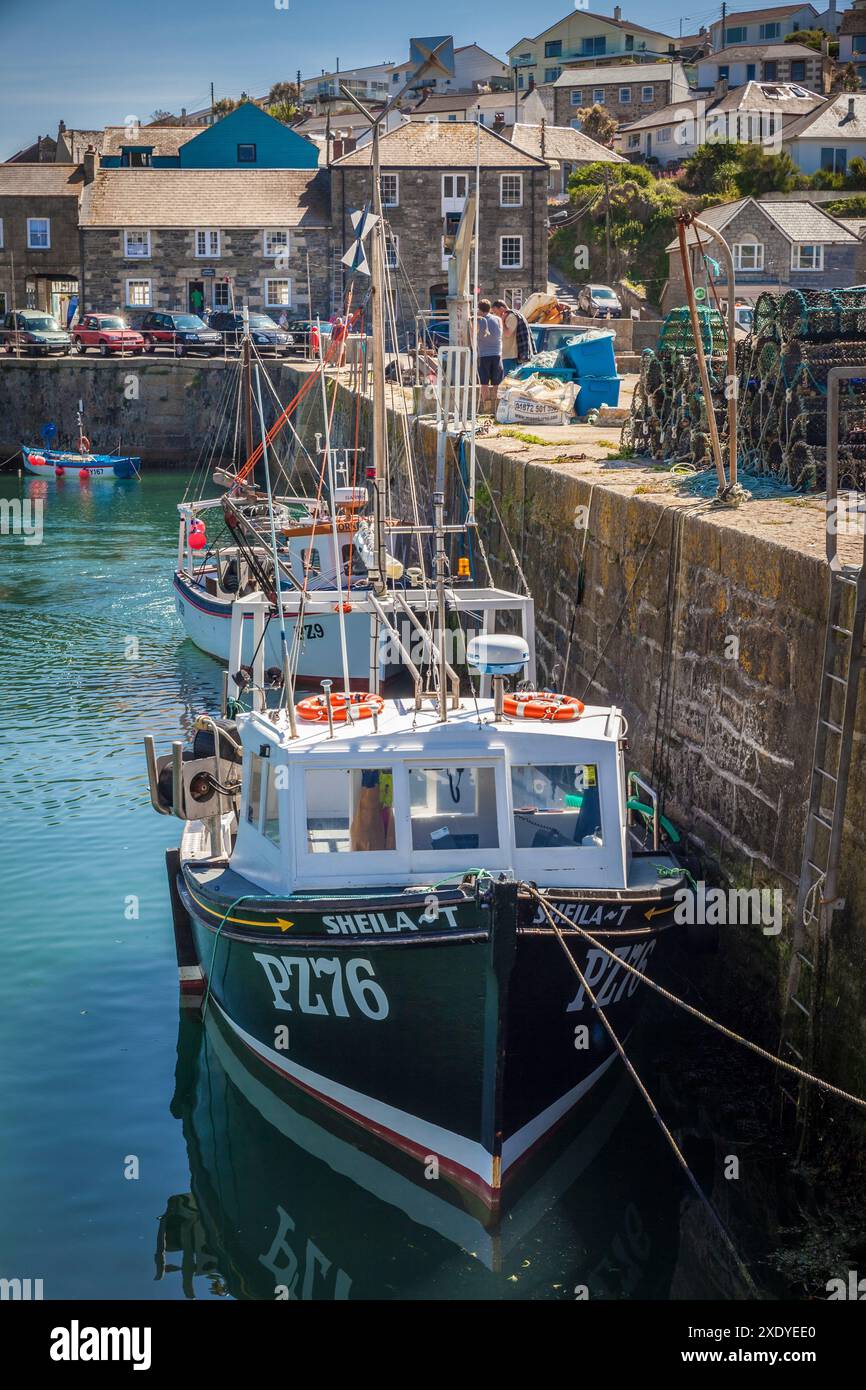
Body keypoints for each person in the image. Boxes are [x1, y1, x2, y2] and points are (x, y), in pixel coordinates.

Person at [473, 298, 503, 411]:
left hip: (483, 355)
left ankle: (486, 406)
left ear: (480, 310)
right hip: (497, 354)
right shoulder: (498, 319)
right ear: (489, 309)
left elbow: (473, 336)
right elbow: (501, 334)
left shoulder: (478, 321)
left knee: (484, 382)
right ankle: (495, 407)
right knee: (496, 382)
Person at [492, 298, 532, 375]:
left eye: (496, 312)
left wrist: (502, 321)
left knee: (509, 381)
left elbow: (507, 334)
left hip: (510, 356)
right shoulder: (508, 316)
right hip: (506, 355)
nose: (495, 315)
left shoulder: (511, 317)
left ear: (501, 308)